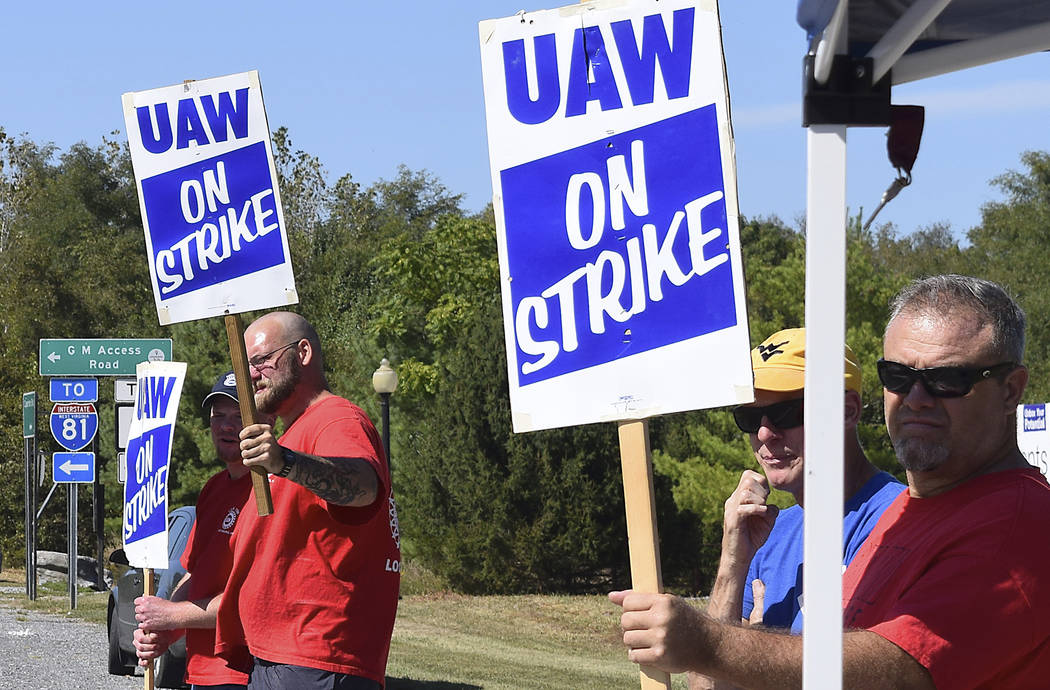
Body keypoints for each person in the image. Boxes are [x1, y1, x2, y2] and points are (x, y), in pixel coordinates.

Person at [611, 275, 1050, 688]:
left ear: (1011, 390)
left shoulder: (1019, 522)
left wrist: (711, 643)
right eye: (898, 377)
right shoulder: (909, 513)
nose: (916, 399)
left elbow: (899, 671)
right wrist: (733, 576)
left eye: (946, 379)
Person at [214, 311, 401, 690]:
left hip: (315, 661)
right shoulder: (297, 430)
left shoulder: (336, 419)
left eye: (262, 360)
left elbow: (363, 486)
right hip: (284, 660)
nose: (251, 375)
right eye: (247, 364)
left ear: (303, 352)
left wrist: (286, 462)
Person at [704, 328, 902, 645]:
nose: (766, 434)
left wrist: (754, 653)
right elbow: (705, 682)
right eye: (750, 418)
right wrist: (732, 560)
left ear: (847, 410)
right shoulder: (765, 535)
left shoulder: (897, 521)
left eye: (787, 412)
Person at [133, 371, 268, 689]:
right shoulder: (213, 489)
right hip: (201, 670)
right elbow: (194, 575)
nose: (226, 426)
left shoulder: (268, 490)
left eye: (238, 416)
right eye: (218, 415)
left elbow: (252, 599)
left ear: (265, 419)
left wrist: (171, 616)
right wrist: (166, 633)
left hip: (245, 670)